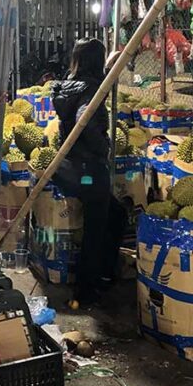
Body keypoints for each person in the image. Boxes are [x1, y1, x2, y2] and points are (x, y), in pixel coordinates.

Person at [51, 38, 127, 307]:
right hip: (88, 171)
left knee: (116, 214)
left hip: (67, 167)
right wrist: (104, 146)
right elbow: (86, 120)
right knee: (98, 226)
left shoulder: (66, 86)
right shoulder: (91, 90)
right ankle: (87, 288)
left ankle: (104, 273)